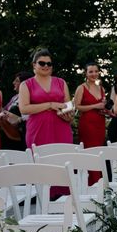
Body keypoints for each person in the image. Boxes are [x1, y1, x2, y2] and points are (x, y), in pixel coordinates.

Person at [19, 50, 75, 198]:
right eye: (42, 63)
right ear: (34, 65)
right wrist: (50, 104)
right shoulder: (26, 84)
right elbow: (24, 108)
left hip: (62, 129)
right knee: (42, 165)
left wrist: (69, 116)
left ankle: (66, 205)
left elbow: (67, 106)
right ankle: (43, 203)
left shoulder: (61, 82)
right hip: (38, 130)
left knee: (63, 164)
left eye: (49, 63)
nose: (46, 66)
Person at [74, 62, 107, 184]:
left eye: (96, 71)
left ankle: (99, 183)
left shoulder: (101, 88)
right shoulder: (81, 88)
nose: (94, 74)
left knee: (99, 152)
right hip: (87, 123)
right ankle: (91, 183)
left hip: (100, 122)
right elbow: (77, 106)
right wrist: (95, 105)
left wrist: (103, 108)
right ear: (86, 73)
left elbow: (101, 106)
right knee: (90, 152)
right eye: (91, 71)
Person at [0, 71, 32, 150]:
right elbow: (4, 110)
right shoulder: (15, 97)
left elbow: (29, 117)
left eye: (17, 81)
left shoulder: (30, 98)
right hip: (8, 134)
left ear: (24, 84)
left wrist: (18, 120)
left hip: (21, 136)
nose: (13, 82)